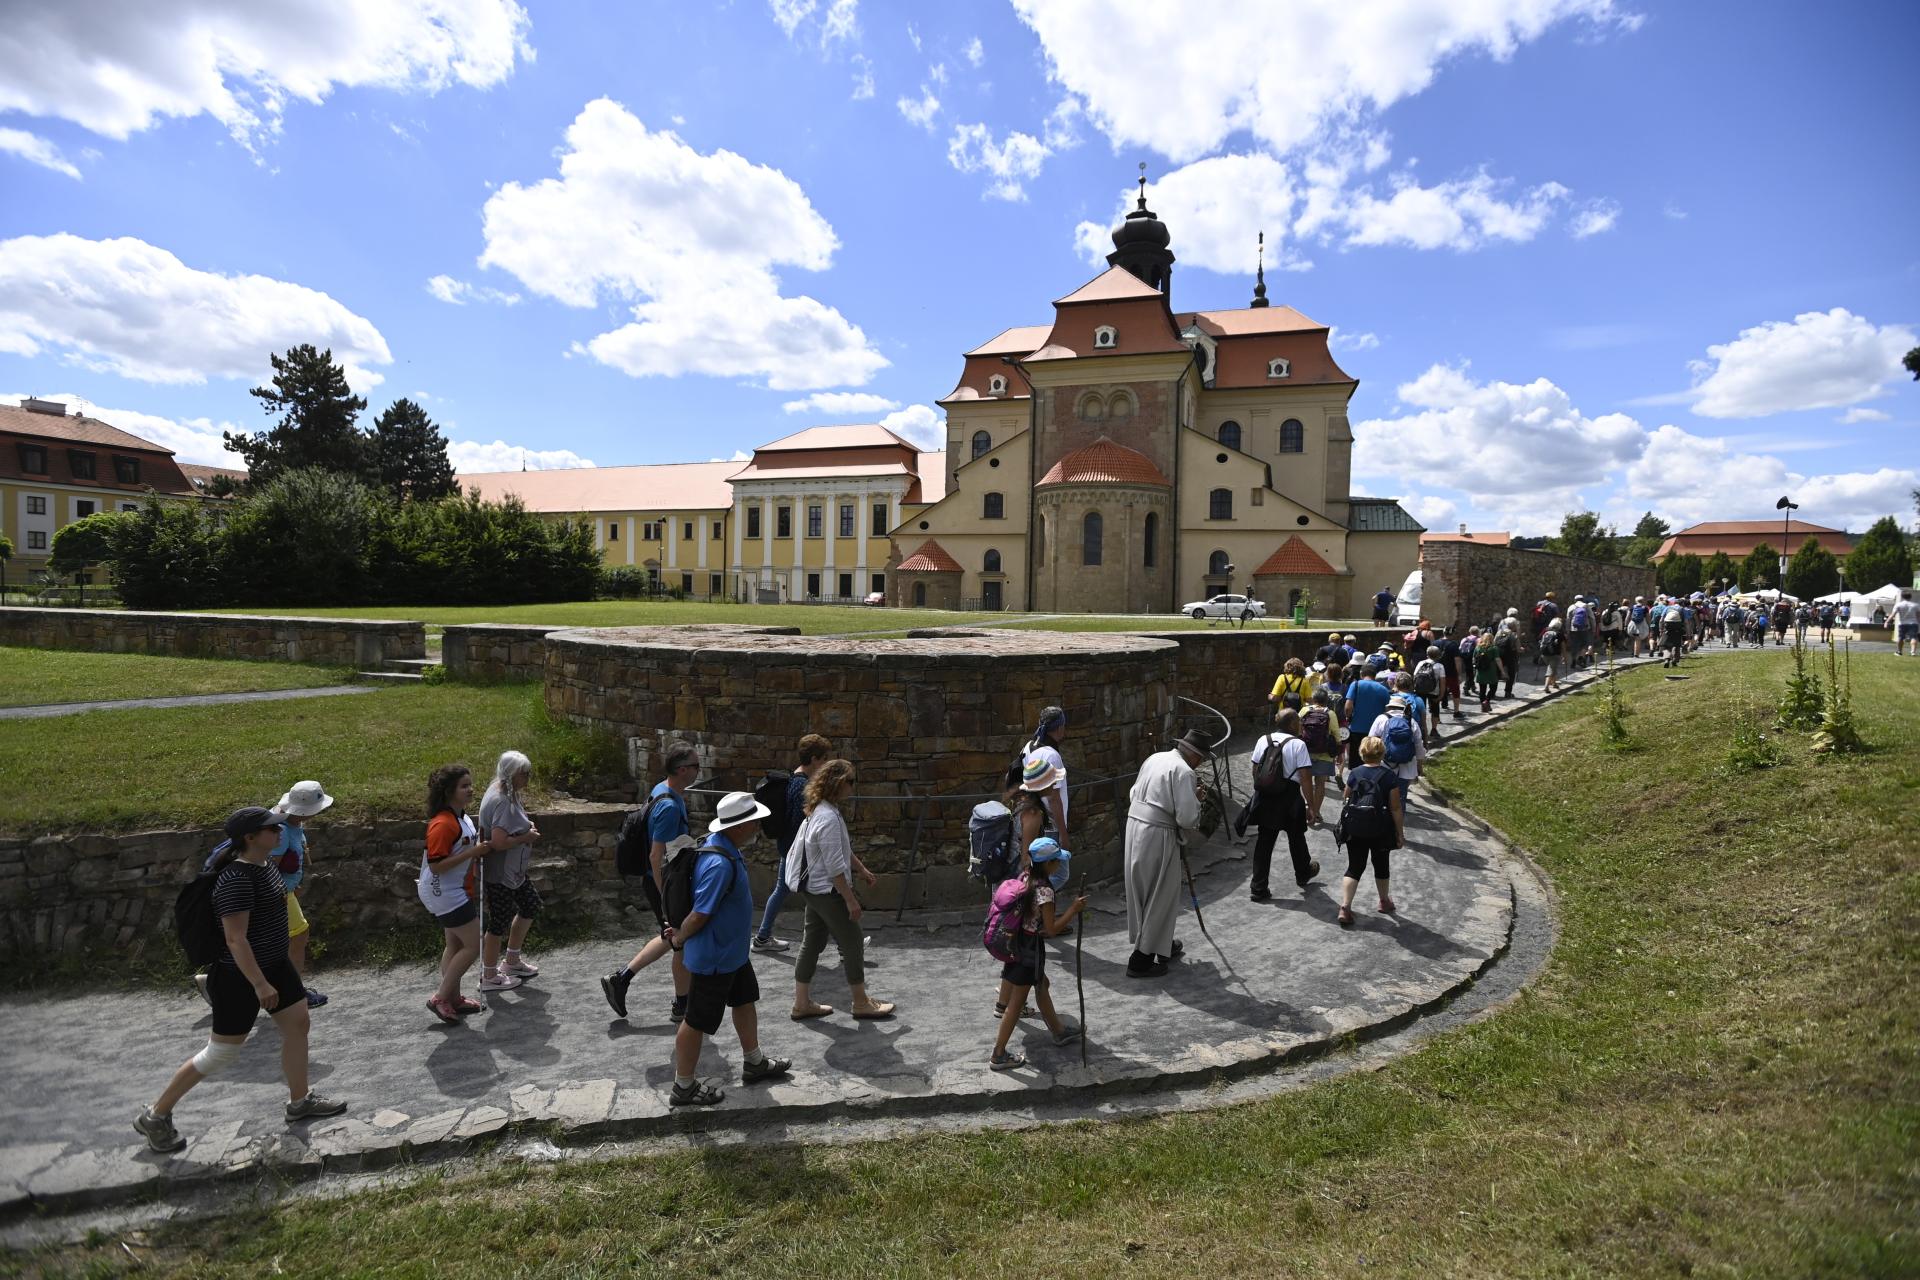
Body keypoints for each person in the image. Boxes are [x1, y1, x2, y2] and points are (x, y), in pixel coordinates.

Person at [136, 807, 347, 1153]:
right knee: (220, 1053)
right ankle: (155, 1115)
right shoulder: (236, 879)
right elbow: (236, 939)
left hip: (275, 965)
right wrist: (260, 984)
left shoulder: (264, 867)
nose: (279, 832)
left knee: (298, 1024)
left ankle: (299, 1101)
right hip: (240, 976)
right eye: (271, 829)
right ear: (250, 838)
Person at [665, 791, 793, 1107]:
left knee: (745, 1000)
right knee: (695, 1021)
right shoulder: (718, 864)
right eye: (754, 821)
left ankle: (754, 1061)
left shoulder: (726, 849)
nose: (758, 826)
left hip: (733, 954)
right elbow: (701, 913)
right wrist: (679, 939)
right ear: (738, 826)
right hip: (716, 958)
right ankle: (683, 1086)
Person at [785, 759, 893, 1021]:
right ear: (838, 784)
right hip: (827, 891)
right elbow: (834, 866)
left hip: (814, 889)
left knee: (812, 942)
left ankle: (801, 1003)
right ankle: (860, 1002)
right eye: (850, 782)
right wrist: (850, 900)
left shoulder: (822, 811)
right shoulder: (828, 817)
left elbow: (839, 851)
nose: (852, 787)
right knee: (853, 942)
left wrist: (861, 870)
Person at [601, 742, 701, 1023]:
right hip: (664, 884)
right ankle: (682, 1005)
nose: (698, 771)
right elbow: (656, 856)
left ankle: (621, 979)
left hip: (664, 882)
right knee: (681, 940)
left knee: (672, 937)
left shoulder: (663, 789)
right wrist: (666, 896)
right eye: (696, 766)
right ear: (683, 770)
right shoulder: (669, 807)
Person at [419, 763, 508, 1024]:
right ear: (449, 791)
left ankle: (454, 998)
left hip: (454, 889)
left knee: (455, 945)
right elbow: (436, 865)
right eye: (464, 786)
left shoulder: (462, 817)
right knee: (474, 944)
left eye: (470, 784)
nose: (471, 790)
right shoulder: (443, 824)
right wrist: (474, 852)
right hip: (443, 892)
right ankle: (441, 997)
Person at [987, 838, 1086, 1070]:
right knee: (1016, 1004)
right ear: (1049, 864)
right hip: (1030, 951)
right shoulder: (1045, 891)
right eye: (1057, 861)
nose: (1059, 865)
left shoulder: (1025, 877)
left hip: (1017, 943)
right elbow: (1051, 930)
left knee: (1042, 984)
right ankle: (998, 1054)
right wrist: (1073, 910)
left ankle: (1059, 1032)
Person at [1123, 729, 1209, 978]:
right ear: (1194, 754)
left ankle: (1161, 942)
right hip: (1157, 832)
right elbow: (1187, 817)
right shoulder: (1184, 772)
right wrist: (1197, 800)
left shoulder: (1155, 758)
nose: (1201, 762)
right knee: (1160, 892)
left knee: (1143, 888)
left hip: (1135, 825)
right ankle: (1141, 959)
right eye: (1201, 757)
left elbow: (1136, 792)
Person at [753, 733, 833, 953]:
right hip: (798, 850)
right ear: (815, 759)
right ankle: (848, 945)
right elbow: (801, 823)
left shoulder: (796, 780)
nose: (826, 763)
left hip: (789, 847)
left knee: (784, 890)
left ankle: (762, 937)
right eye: (825, 759)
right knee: (824, 892)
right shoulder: (802, 786)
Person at [478, 751, 543, 993]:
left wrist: (526, 827)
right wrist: (526, 836)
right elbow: (498, 842)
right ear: (512, 775)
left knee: (530, 905)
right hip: (502, 872)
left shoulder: (502, 790)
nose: (528, 778)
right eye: (524, 774)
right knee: (499, 921)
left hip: (513, 871)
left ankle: (512, 961)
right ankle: (489, 975)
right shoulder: (503, 799)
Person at [273, 779, 332, 1009]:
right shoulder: (282, 832)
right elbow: (270, 867)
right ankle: (294, 993)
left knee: (277, 942)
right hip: (278, 895)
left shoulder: (289, 821)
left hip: (286, 892)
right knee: (298, 936)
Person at [1248, 709, 1318, 901]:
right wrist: (1311, 806)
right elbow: (1305, 778)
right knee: (1296, 837)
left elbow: (1255, 769)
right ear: (1293, 724)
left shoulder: (1264, 739)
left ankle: (1258, 887)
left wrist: (1265, 789)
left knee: (1265, 841)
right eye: (1299, 722)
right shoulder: (1298, 745)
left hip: (1267, 796)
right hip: (1290, 796)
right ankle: (1303, 873)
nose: (1301, 725)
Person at [1336, 736, 1405, 927]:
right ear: (1382, 753)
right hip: (1380, 829)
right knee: (1381, 864)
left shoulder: (1355, 773)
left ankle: (1345, 907)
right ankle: (1384, 901)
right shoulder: (1389, 775)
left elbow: (1346, 798)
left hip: (1356, 828)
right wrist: (1399, 833)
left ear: (1362, 753)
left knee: (1354, 867)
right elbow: (1395, 807)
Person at [1017, 706, 1072, 844]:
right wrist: (1063, 835)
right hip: (1050, 829)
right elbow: (1053, 799)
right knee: (1057, 865)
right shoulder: (1052, 756)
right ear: (1059, 728)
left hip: (1032, 824)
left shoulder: (1028, 748)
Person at [1367, 695, 1427, 817]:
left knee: (1380, 796)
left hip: (1383, 766)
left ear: (1389, 707)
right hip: (1405, 768)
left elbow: (1370, 741)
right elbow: (1419, 746)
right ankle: (1397, 830)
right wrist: (1419, 766)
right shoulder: (1411, 722)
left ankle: (1380, 825)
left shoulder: (1381, 719)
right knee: (1400, 799)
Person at [1301, 687, 1344, 823]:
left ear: (1314, 699)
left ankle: (1308, 809)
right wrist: (1340, 754)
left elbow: (1297, 728)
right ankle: (1316, 812)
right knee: (1320, 784)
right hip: (1324, 754)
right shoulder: (1330, 714)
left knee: (1306, 782)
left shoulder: (1304, 711)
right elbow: (1337, 735)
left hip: (1306, 753)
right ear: (1327, 700)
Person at [1342, 663, 1393, 771]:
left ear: (1361, 674)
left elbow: (1348, 706)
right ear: (1375, 675)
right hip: (1376, 734)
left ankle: (1357, 783)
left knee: (1356, 765)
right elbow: (1388, 711)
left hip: (1356, 730)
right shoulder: (1383, 689)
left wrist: (1348, 717)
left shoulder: (1355, 685)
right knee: (1374, 762)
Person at [1494, 608, 1524, 697]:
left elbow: (1495, 641)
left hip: (1500, 652)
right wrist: (1520, 648)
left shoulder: (1501, 625)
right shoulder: (1514, 629)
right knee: (1511, 671)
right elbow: (1518, 640)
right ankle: (1508, 692)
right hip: (1511, 653)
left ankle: (1493, 691)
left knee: (1498, 671)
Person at [1472, 623, 1502, 712]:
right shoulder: (1494, 648)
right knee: (1493, 688)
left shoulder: (1478, 648)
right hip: (1491, 671)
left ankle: (1483, 705)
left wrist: (1475, 668)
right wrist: (1502, 671)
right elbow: (1498, 660)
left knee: (1482, 690)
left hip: (1480, 671)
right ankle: (1487, 701)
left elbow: (1473, 658)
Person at [1530, 591, 1559, 667]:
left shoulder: (1539, 603)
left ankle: (1536, 657)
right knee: (1545, 642)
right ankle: (1543, 659)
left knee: (1537, 642)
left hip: (1537, 627)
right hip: (1547, 628)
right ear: (1552, 598)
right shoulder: (1553, 605)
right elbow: (1556, 616)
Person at [1538, 616, 1564, 693]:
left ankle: (1554, 683)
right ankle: (1546, 687)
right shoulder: (1559, 634)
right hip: (1555, 654)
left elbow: (1539, 639)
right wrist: (1564, 656)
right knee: (1551, 669)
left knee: (1553, 668)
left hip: (1544, 654)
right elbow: (1563, 647)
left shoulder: (1545, 631)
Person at [1895, 590, 1920, 657]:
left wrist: (1887, 621)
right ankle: (1913, 652)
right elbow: (1918, 616)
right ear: (1910, 597)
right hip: (1913, 623)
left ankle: (1899, 652)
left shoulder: (1899, 605)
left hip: (1902, 623)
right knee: (1914, 637)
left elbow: (1893, 614)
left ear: (1902, 597)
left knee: (1901, 637)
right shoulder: (1916, 605)